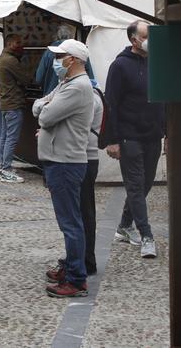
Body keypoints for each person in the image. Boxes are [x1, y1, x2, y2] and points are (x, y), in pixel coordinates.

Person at [33, 39, 94, 298]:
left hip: (65, 161)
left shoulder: (77, 87)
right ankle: (71, 267)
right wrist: (44, 108)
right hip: (60, 159)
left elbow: (44, 115)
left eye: (61, 56)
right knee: (69, 220)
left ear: (74, 60)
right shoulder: (66, 84)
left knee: (70, 222)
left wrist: (44, 110)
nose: (57, 61)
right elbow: (40, 105)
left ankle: (77, 278)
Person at [103, 20, 165, 259]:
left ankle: (124, 224)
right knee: (136, 185)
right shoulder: (119, 66)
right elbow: (111, 104)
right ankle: (146, 236)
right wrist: (112, 140)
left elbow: (163, 98)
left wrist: (166, 130)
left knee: (146, 183)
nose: (149, 39)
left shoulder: (155, 63)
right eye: (145, 35)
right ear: (133, 40)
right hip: (129, 136)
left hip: (152, 134)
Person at [0, 34, 34, 183]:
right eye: (18, 42)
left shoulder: (2, 58)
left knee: (5, 137)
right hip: (13, 104)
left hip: (5, 104)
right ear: (10, 44)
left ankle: (3, 166)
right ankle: (6, 169)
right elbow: (26, 78)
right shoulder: (10, 60)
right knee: (11, 138)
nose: (21, 45)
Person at [79, 80, 106, 275]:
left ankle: (87, 259)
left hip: (84, 157)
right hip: (82, 156)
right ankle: (81, 256)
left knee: (84, 211)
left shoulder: (88, 95)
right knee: (82, 210)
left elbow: (47, 115)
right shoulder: (86, 91)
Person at [36, 26, 96, 96]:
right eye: (57, 57)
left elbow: (39, 78)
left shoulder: (48, 53)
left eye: (59, 56)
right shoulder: (80, 52)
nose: (57, 61)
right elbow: (91, 78)